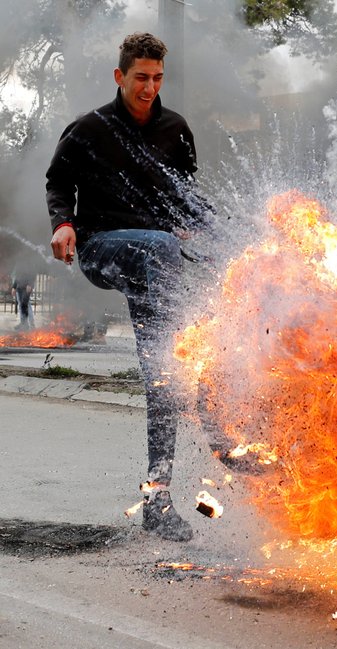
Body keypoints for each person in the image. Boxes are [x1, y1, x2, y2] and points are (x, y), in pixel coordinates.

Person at [45, 32, 211, 541]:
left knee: (162, 378)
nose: (149, 87)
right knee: (160, 249)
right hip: (102, 250)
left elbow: (186, 197)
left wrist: (206, 226)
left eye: (158, 78)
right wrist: (63, 223)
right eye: (141, 77)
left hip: (155, 262)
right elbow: (57, 182)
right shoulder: (88, 129)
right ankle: (187, 360)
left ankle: (157, 499)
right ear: (120, 76)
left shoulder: (176, 129)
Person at [10, 264, 36, 331]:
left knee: (26, 305)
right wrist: (14, 287)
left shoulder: (29, 260)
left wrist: (30, 284)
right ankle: (24, 324)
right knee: (21, 306)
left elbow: (33, 273)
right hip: (19, 287)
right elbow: (17, 274)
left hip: (26, 287)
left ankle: (32, 325)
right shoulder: (19, 261)